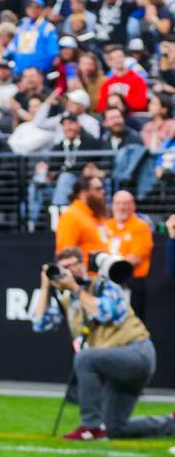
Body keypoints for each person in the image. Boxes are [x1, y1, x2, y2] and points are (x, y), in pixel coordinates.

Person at [33, 247, 175, 440]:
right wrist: (45, 286)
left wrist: (75, 288)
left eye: (71, 266)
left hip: (136, 353)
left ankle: (90, 426)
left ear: (82, 266)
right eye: (62, 268)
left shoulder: (104, 286)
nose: (67, 272)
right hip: (114, 365)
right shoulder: (67, 298)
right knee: (117, 428)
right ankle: (170, 424)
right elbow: (40, 324)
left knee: (84, 358)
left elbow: (104, 313)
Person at [104, 192, 153, 320]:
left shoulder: (140, 226)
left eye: (126, 203)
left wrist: (112, 269)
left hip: (130, 280)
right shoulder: (106, 225)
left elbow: (136, 256)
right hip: (107, 281)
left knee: (132, 320)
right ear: (112, 205)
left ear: (133, 206)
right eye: (118, 203)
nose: (122, 207)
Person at [55, 175, 108, 264]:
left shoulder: (97, 215)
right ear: (84, 193)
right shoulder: (71, 216)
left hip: (103, 274)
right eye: (98, 189)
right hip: (86, 276)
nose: (103, 192)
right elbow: (65, 255)